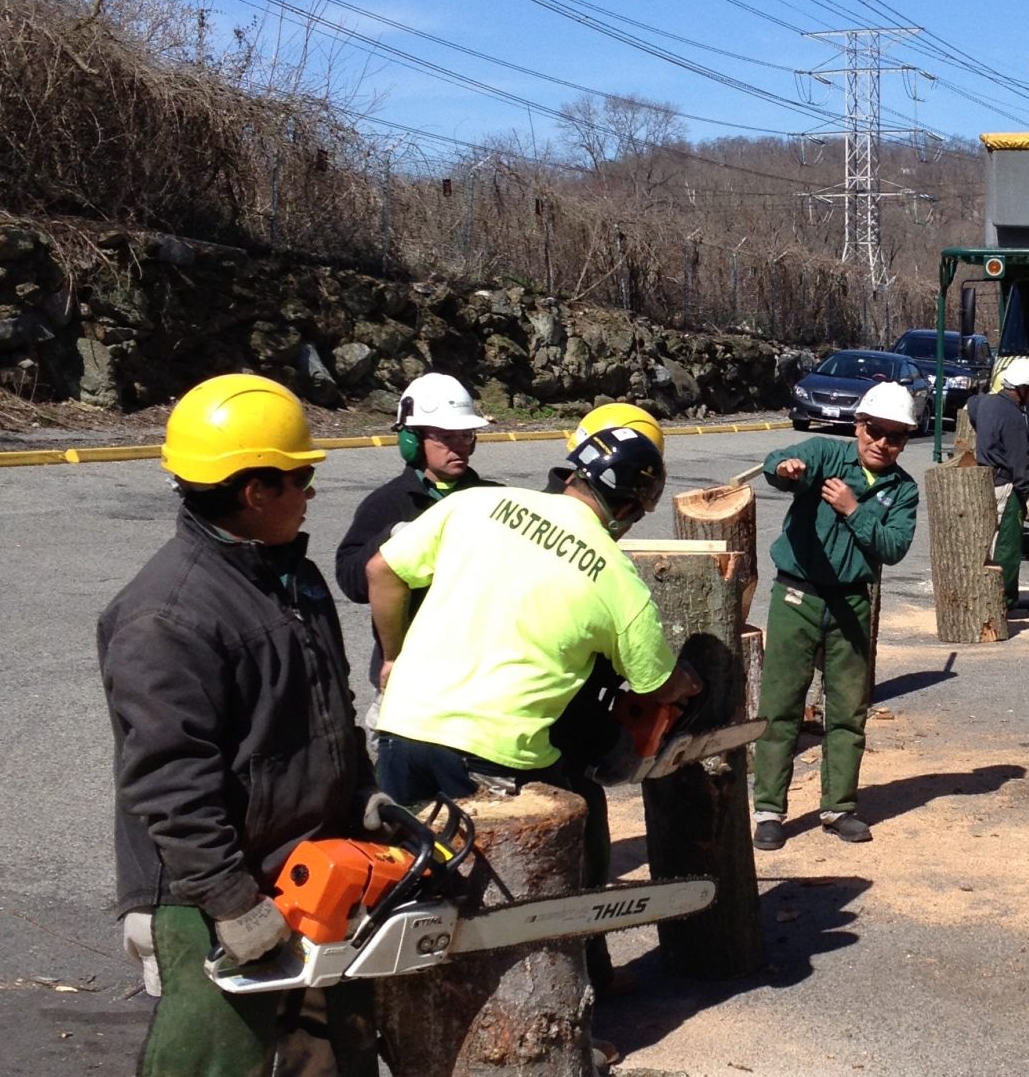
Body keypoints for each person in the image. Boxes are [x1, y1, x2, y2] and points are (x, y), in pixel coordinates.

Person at [98, 373, 437, 1077]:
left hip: (310, 862)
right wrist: (231, 903)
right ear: (251, 488)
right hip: (211, 889)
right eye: (296, 475)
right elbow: (168, 783)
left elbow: (320, 708)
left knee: (333, 1052)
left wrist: (360, 797)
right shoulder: (167, 614)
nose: (309, 489)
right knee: (215, 1076)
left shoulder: (282, 573)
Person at [366, 406, 691, 875]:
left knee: (401, 885)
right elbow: (654, 683)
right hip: (493, 756)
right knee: (511, 899)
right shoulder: (616, 577)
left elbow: (381, 570)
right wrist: (687, 685)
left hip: (402, 730)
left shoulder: (475, 504)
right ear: (627, 508)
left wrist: (392, 657)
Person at [752, 379, 922, 847]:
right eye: (876, 430)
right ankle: (769, 810)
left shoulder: (902, 490)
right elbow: (780, 465)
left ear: (906, 440)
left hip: (851, 602)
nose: (883, 443)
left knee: (848, 710)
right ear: (859, 425)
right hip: (797, 598)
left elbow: (893, 547)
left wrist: (853, 510)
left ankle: (839, 806)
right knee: (781, 706)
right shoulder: (827, 455)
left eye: (896, 436)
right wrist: (785, 469)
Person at [334, 373, 494, 678]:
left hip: (478, 669)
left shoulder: (493, 497)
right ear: (413, 439)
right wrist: (392, 537)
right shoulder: (387, 503)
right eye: (446, 436)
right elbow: (351, 581)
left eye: (466, 435)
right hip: (409, 673)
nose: (458, 446)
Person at [966, 355, 1029, 611]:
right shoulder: (1015, 419)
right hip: (1006, 487)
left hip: (984, 480)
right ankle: (1005, 602)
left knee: (988, 541)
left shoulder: (984, 403)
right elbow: (1020, 462)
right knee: (1007, 546)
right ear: (1022, 389)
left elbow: (971, 405)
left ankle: (988, 598)